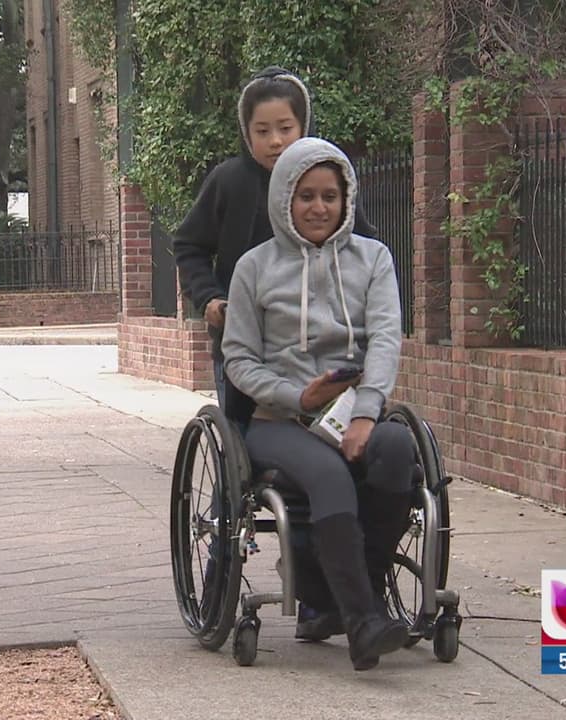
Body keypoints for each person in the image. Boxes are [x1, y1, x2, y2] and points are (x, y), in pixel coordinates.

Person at [173, 67, 380, 641]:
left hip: (319, 355)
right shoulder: (228, 182)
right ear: (246, 133)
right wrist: (209, 298)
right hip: (249, 349)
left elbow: (361, 247)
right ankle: (219, 580)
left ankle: (319, 593)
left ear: (303, 126)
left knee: (327, 462)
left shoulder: (325, 182)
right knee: (241, 466)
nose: (274, 141)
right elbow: (189, 245)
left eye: (285, 128)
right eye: (262, 131)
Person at [222, 137, 416, 671]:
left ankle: (349, 593)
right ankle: (363, 623)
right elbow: (239, 359)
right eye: (306, 195)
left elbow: (385, 339)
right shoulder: (254, 268)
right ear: (285, 198)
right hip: (279, 420)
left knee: (398, 450)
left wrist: (365, 413)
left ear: (346, 199)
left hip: (354, 412)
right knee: (330, 474)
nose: (318, 207)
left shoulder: (374, 259)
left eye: (330, 196)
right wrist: (298, 396)